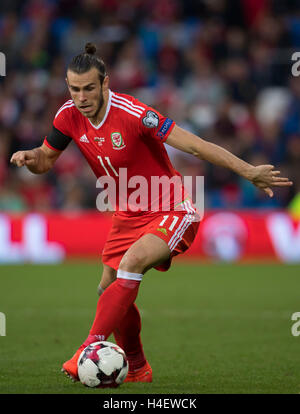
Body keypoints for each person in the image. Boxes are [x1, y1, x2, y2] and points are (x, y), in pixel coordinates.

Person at [10, 43, 293, 384]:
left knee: (130, 265)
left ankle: (88, 349)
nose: (81, 96)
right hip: (126, 214)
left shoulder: (133, 114)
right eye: (74, 89)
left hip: (171, 207)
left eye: (88, 88)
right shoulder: (67, 116)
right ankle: (138, 367)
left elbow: (193, 145)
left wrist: (247, 170)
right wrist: (30, 158)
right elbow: (47, 158)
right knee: (108, 292)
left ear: (105, 84)